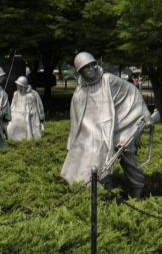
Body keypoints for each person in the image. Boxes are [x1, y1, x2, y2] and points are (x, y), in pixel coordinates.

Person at [61, 52, 152, 198]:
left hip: (117, 128)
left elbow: (131, 92)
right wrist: (71, 143)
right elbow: (76, 122)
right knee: (84, 152)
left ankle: (137, 192)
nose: (90, 70)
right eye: (86, 68)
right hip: (91, 134)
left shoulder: (108, 80)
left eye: (92, 65)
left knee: (126, 154)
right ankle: (90, 192)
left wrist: (143, 116)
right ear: (80, 72)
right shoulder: (79, 92)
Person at [8, 75, 45, 141]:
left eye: (19, 85)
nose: (17, 86)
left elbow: (39, 108)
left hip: (30, 117)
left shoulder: (32, 95)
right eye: (17, 84)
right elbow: (12, 107)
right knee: (10, 127)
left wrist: (41, 119)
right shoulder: (16, 94)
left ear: (23, 86)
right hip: (17, 117)